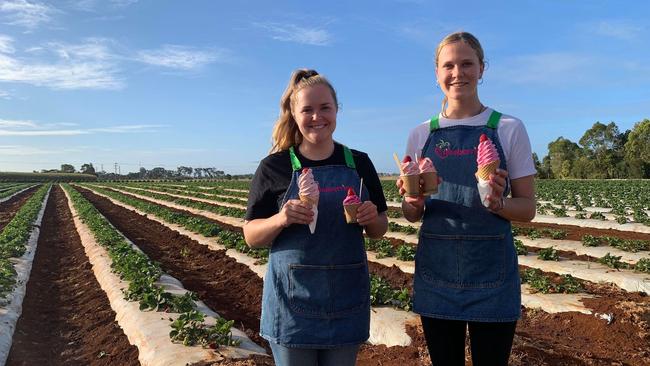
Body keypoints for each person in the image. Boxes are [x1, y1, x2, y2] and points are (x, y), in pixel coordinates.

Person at [398, 31, 536, 365]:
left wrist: (500, 204)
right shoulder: (421, 134)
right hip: (437, 273)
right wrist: (412, 203)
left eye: (466, 64)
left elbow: (528, 208)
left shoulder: (508, 127)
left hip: (492, 273)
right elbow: (411, 213)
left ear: (482, 68)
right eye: (448, 65)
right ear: (437, 74)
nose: (457, 73)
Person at [243, 68, 388, 366]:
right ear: (294, 114)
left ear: (337, 110)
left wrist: (371, 217)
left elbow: (379, 229)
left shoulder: (358, 162)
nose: (316, 117)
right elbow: (251, 236)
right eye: (307, 109)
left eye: (325, 108)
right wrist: (281, 219)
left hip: (346, 297)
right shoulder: (275, 166)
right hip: (292, 304)